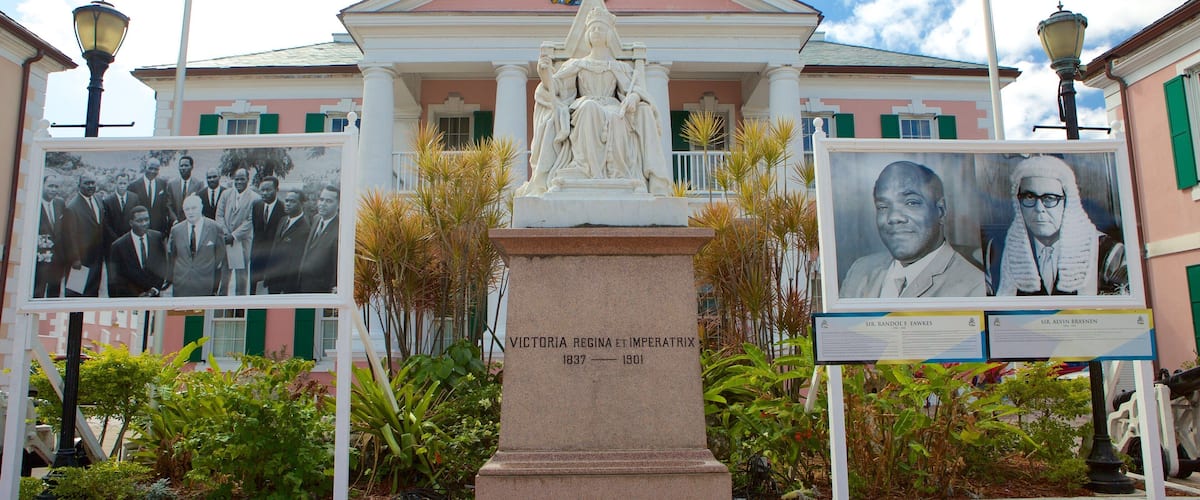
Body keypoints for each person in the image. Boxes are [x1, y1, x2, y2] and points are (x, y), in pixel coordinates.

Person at [516, 0, 672, 197]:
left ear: (608, 34)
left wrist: (633, 97)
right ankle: (583, 167)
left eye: (600, 28)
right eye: (593, 28)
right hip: (584, 105)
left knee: (623, 116)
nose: (597, 31)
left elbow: (634, 91)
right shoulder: (578, 64)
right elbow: (558, 89)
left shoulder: (620, 67)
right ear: (588, 34)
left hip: (614, 107)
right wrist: (545, 72)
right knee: (589, 107)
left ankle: (620, 172)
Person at [840, 161, 985, 298]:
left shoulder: (974, 285)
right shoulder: (859, 271)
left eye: (911, 202)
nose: (894, 217)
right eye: (883, 207)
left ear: (940, 211)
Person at [991, 156, 1128, 296]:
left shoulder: (1109, 252)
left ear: (1068, 203)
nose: (1039, 208)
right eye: (1029, 197)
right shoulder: (996, 252)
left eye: (1050, 198)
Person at [168, 195, 226, 297]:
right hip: (182, 282)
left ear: (201, 207)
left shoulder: (215, 228)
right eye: (187, 209)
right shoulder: (176, 230)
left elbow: (220, 255)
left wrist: (205, 267)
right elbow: (172, 255)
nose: (190, 212)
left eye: (194, 208)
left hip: (205, 282)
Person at [106, 206, 170, 297]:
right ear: (131, 223)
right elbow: (115, 280)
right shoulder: (118, 246)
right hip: (130, 299)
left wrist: (154, 289)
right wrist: (136, 295)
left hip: (153, 297)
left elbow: (162, 265)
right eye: (139, 221)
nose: (144, 223)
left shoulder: (157, 238)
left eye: (147, 219)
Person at [61, 173, 108, 297]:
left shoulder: (98, 200)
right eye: (87, 183)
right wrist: (75, 259)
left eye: (93, 183)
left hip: (96, 258)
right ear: (79, 185)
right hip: (80, 260)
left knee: (92, 293)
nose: (90, 186)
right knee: (75, 294)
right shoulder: (72, 207)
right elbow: (70, 237)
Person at [215, 168, 256, 295]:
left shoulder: (254, 198)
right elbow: (219, 215)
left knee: (241, 280)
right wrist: (226, 233)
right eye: (236, 179)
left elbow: (250, 221)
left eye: (242, 179)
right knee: (224, 278)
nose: (238, 182)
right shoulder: (226, 194)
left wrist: (234, 236)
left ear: (247, 180)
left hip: (242, 242)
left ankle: (240, 307)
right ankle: (222, 304)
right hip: (226, 241)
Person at [266, 189, 310, 294]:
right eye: (286, 201)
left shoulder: (304, 229)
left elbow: (296, 262)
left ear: (302, 204)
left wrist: (287, 289)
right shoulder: (283, 220)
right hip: (273, 279)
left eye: (292, 201)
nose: (288, 204)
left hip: (286, 285)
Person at [298, 185, 339, 293]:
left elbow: (337, 264)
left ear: (338, 204)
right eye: (321, 199)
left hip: (322, 290)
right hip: (305, 285)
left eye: (329, 201)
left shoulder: (340, 228)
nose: (322, 204)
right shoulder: (316, 219)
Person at [33, 174, 66, 298]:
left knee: (54, 293)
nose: (53, 189)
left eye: (56, 186)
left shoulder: (60, 203)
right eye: (50, 186)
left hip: (57, 260)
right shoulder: (35, 205)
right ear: (42, 185)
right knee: (38, 292)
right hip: (40, 259)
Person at [249, 176, 284, 293]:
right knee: (253, 290)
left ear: (276, 190)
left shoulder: (283, 209)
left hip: (274, 258)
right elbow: (256, 230)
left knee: (273, 291)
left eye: (268, 190)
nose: (264, 193)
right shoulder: (256, 206)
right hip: (257, 255)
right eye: (262, 190)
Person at [127, 158, 175, 233]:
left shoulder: (162, 184)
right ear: (145, 167)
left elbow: (166, 205)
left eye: (156, 169)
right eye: (150, 168)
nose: (153, 171)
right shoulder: (133, 186)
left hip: (159, 229)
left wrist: (173, 220)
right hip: (140, 228)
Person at [101, 173, 141, 247]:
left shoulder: (134, 198)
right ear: (116, 183)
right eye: (120, 183)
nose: (122, 186)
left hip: (131, 238)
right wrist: (116, 238)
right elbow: (106, 223)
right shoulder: (108, 201)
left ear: (128, 183)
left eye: (124, 183)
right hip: (114, 240)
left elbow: (137, 218)